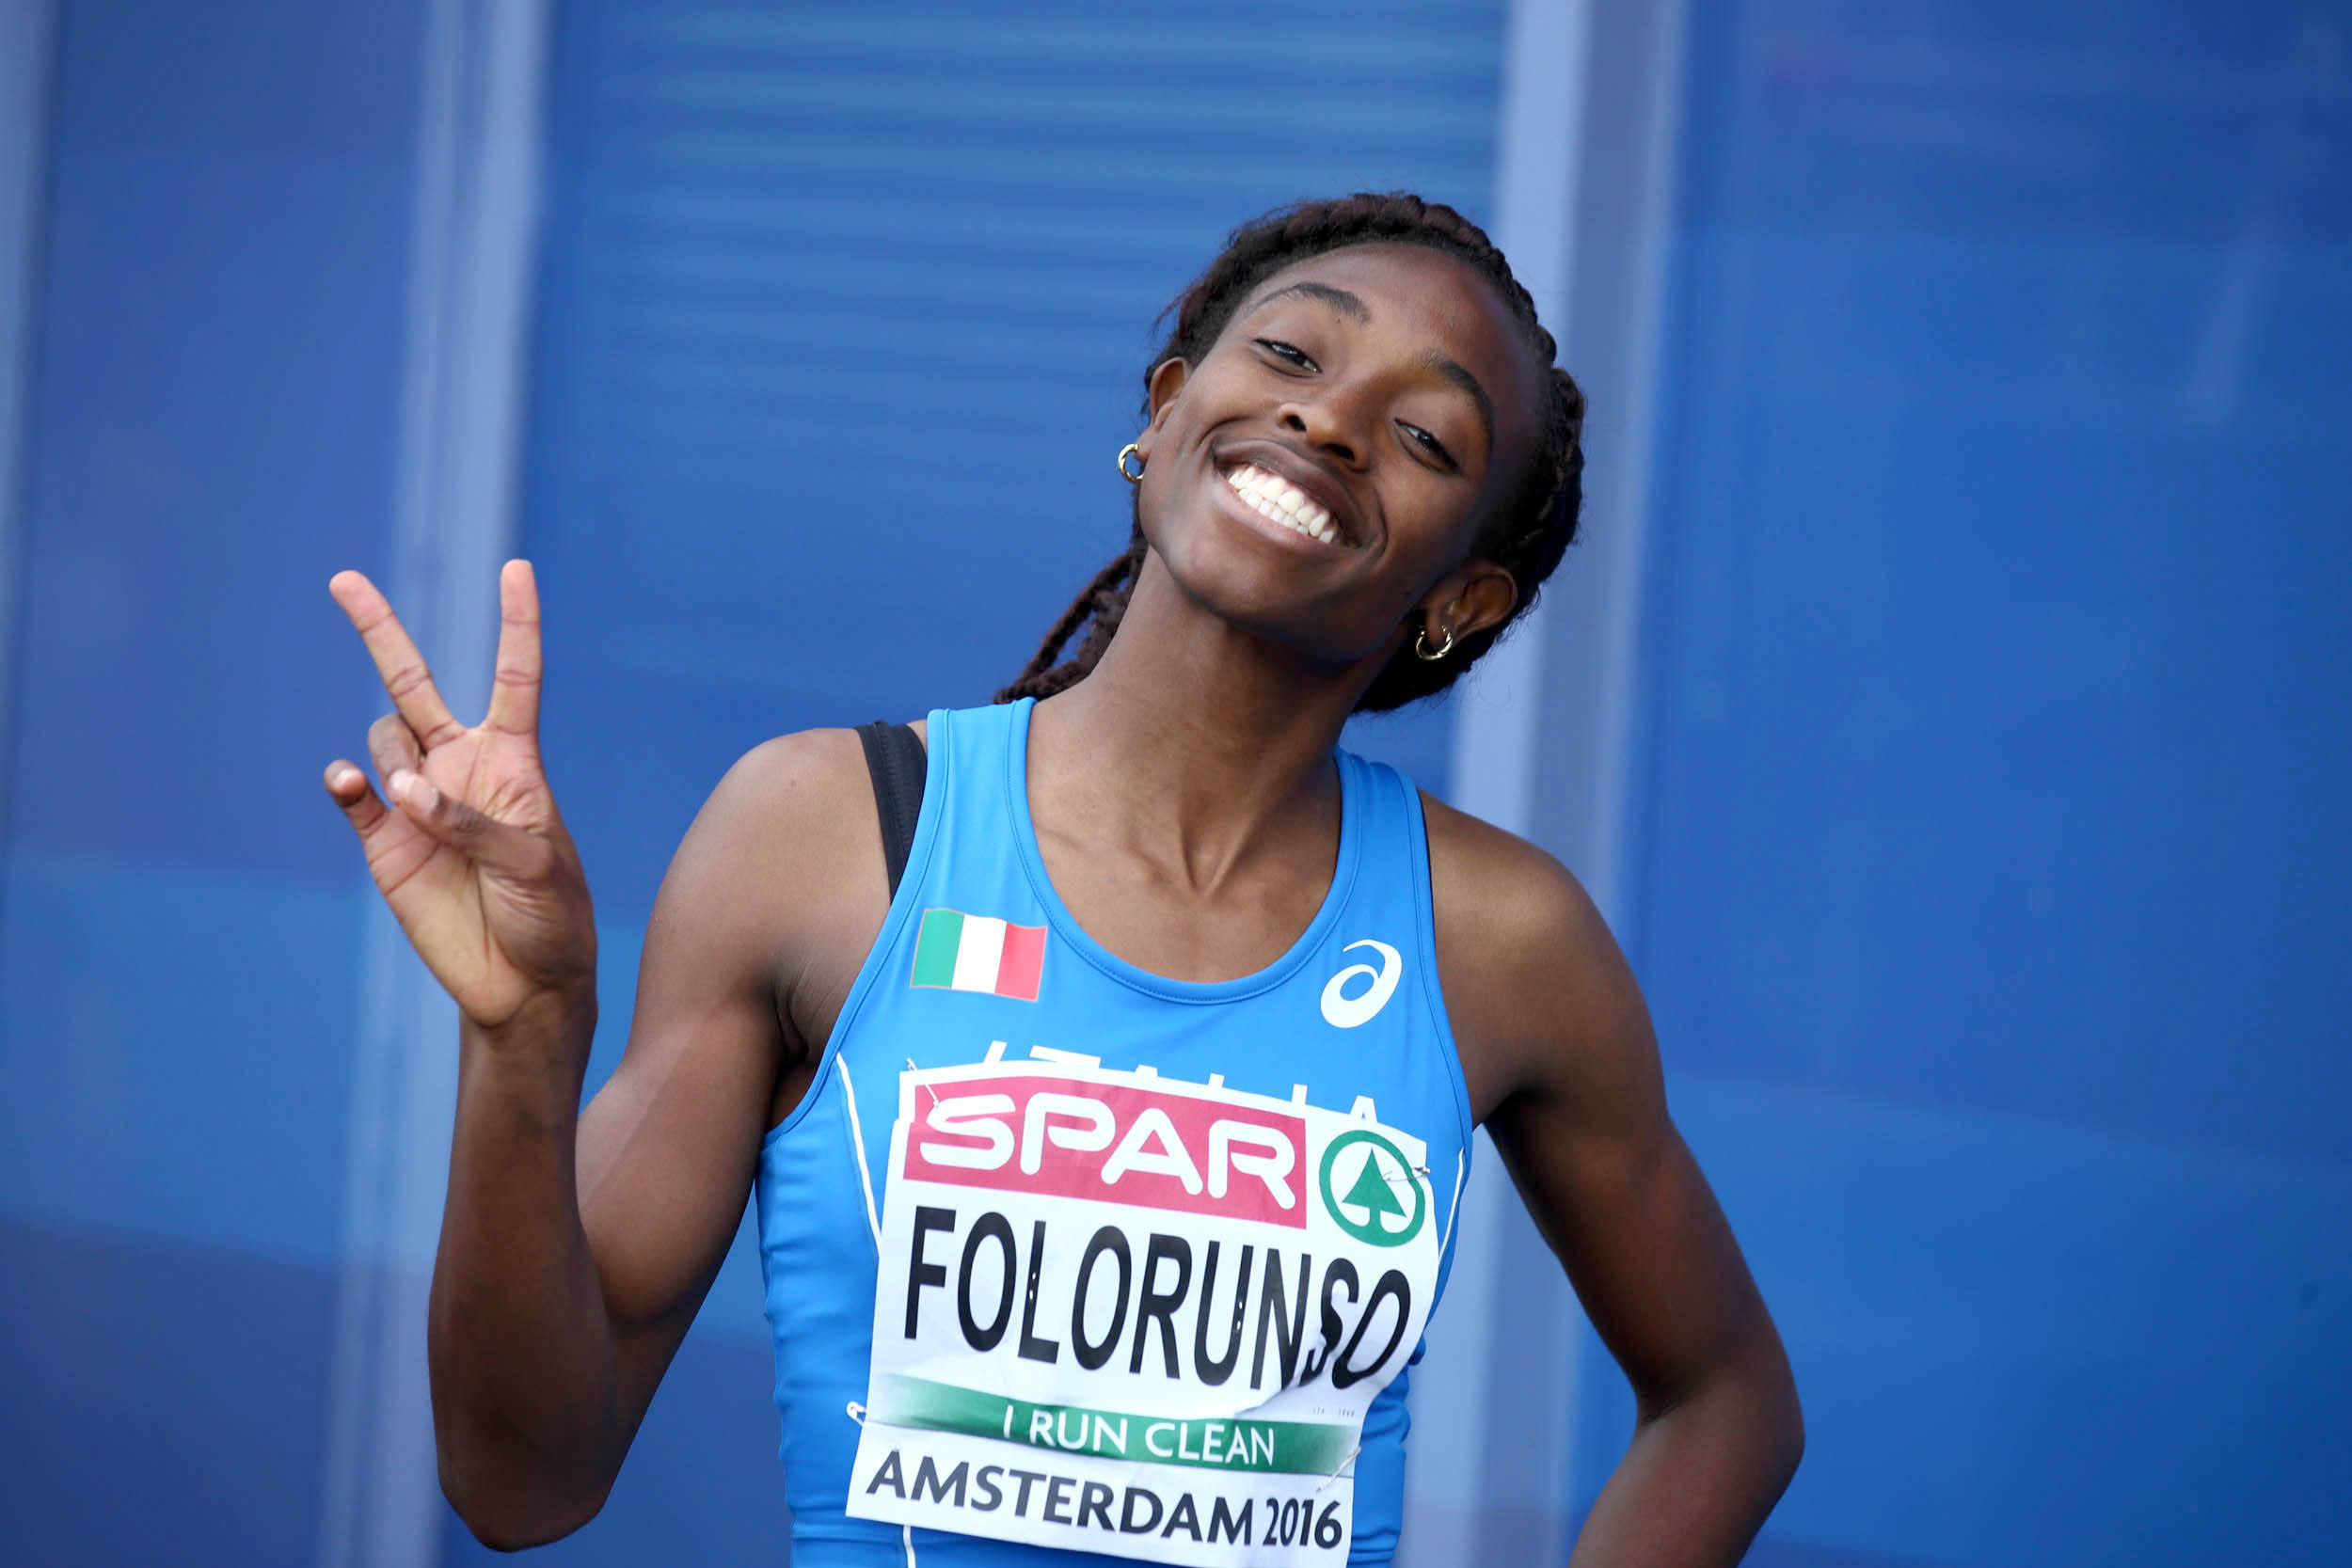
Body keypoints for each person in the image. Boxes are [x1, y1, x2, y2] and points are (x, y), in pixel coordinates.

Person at [323, 194, 1802, 1566]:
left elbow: (1728, 1399)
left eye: (1424, 435)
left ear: (1462, 601)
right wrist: (526, 1041)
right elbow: (524, 1479)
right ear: (1165, 412)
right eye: (1292, 353)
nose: (1330, 419)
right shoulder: (828, 837)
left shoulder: (1500, 941)